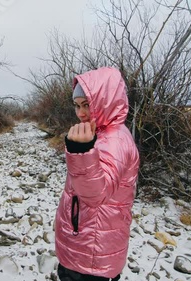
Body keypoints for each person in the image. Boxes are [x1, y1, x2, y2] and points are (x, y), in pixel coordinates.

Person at [54, 67, 140, 281]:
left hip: (93, 259)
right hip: (85, 247)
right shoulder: (101, 133)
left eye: (87, 105)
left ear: (105, 101)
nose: (80, 113)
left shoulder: (115, 141)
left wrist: (80, 151)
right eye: (77, 105)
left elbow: (95, 196)